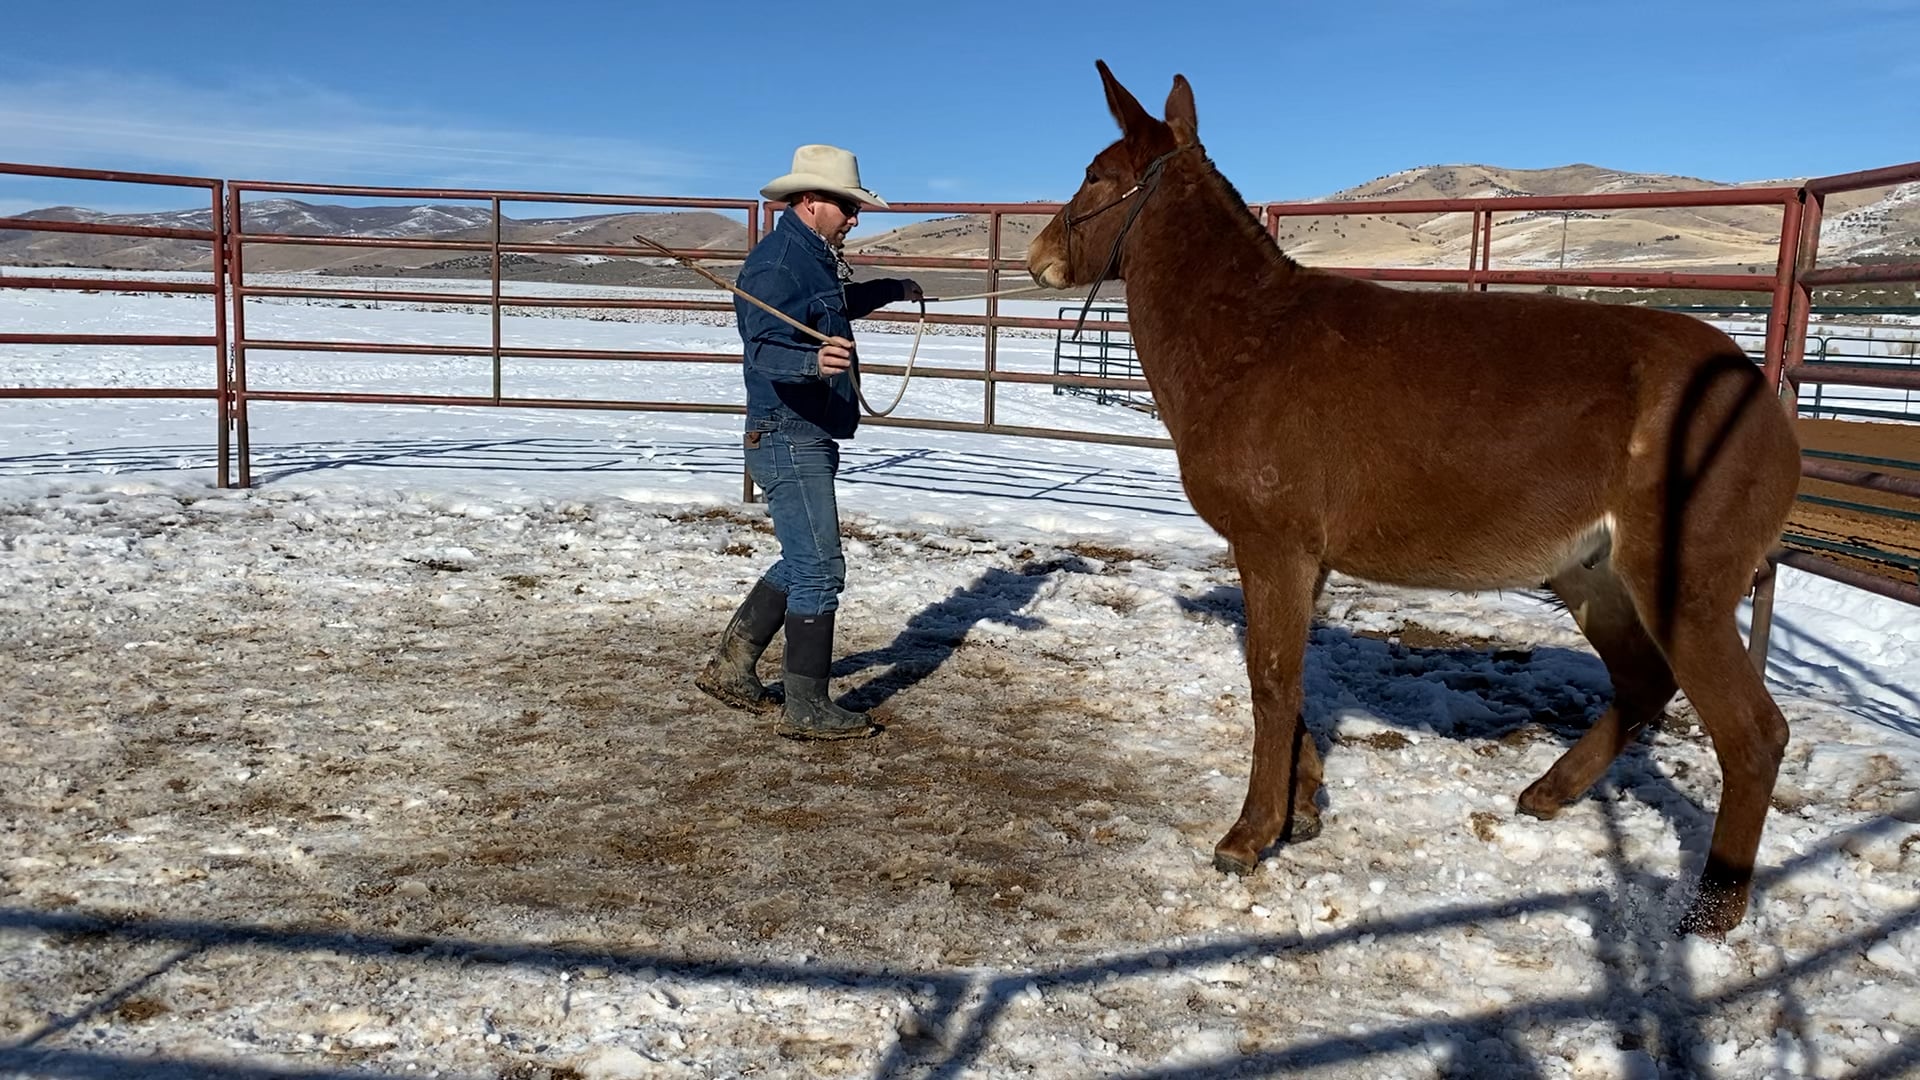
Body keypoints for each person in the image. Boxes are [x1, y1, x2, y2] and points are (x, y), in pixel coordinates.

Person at [696, 144, 922, 740]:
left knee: (802, 558)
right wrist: (813, 360)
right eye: (847, 207)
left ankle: (731, 666)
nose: (854, 218)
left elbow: (828, 309)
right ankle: (807, 707)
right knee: (820, 568)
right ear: (811, 201)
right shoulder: (776, 264)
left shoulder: (812, 257)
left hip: (805, 428)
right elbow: (765, 347)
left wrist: (888, 289)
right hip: (787, 431)